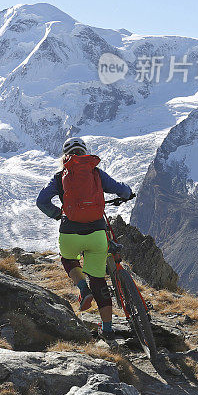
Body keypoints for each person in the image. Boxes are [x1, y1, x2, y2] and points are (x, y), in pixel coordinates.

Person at [35, 136, 134, 339]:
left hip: (70, 232)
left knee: (69, 259)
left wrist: (57, 214)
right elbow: (122, 189)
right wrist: (128, 193)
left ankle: (82, 288)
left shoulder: (59, 176)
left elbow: (41, 201)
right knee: (99, 280)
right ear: (85, 152)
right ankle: (107, 330)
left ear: (65, 156)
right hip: (97, 233)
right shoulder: (95, 172)